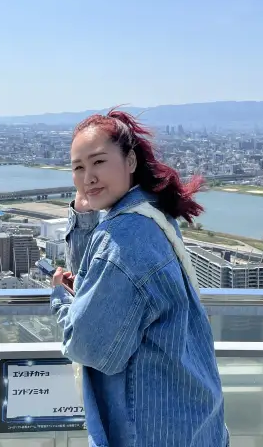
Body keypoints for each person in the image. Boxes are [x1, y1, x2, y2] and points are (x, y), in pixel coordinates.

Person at [51, 110, 228, 447]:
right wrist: (85, 215)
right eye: (78, 167)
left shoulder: (122, 238)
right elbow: (97, 273)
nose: (88, 177)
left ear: (130, 160)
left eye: (98, 162)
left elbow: (89, 345)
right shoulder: (152, 215)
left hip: (149, 427)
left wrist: (59, 299)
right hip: (195, 418)